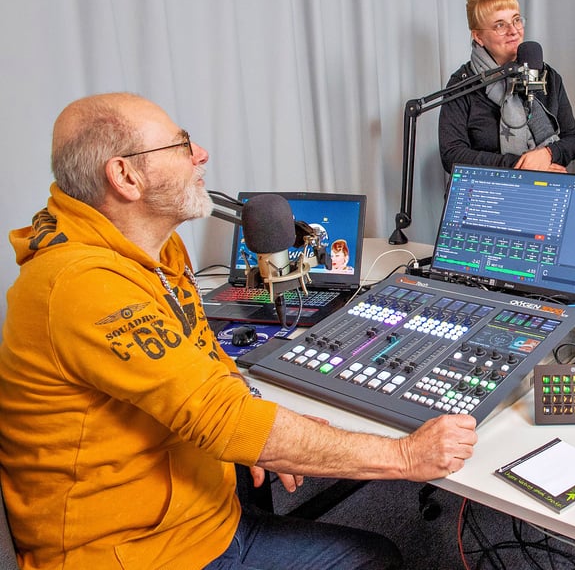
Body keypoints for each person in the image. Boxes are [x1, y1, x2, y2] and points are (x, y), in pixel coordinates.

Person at [0, 93, 478, 569]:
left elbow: (209, 364)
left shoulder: (155, 255)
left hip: (198, 519)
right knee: (374, 562)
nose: (201, 154)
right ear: (125, 176)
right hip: (134, 554)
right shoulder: (79, 286)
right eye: (181, 145)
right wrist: (405, 456)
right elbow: (219, 416)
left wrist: (258, 425)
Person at [438, 0, 575, 174]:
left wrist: (548, 154)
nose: (513, 31)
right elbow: (452, 155)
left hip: (544, 187)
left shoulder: (547, 76)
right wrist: (521, 166)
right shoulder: (463, 85)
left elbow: (571, 139)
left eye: (516, 20)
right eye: (500, 25)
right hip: (487, 191)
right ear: (478, 36)